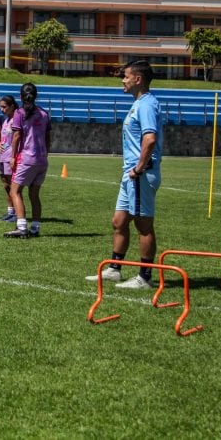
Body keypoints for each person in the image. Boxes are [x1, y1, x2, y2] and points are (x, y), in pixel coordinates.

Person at [87, 60, 163, 289]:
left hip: (140, 175)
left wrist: (139, 168)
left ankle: (144, 277)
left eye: (126, 76)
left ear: (138, 79)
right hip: (130, 175)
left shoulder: (146, 105)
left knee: (143, 225)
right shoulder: (138, 104)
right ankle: (115, 269)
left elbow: (150, 139)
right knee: (119, 221)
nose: (123, 80)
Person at [4, 83, 51, 239]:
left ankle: (22, 227)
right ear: (36, 95)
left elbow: (16, 136)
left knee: (15, 191)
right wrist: (45, 153)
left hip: (27, 158)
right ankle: (35, 228)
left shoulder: (19, 113)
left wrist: (12, 157)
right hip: (42, 159)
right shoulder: (44, 113)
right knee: (34, 194)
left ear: (21, 96)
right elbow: (48, 137)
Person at [0, 95, 20, 222]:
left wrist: (13, 157)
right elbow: (3, 137)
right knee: (6, 185)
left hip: (10, 156)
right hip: (1, 156)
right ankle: (10, 212)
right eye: (0, 107)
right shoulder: (6, 120)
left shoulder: (17, 119)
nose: (1, 109)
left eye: (4, 107)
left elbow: (17, 138)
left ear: (12, 106)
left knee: (13, 186)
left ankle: (17, 213)